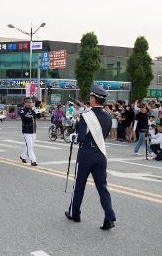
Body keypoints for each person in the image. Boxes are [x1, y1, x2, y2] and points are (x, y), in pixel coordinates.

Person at [65, 84, 116, 231]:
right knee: (102, 188)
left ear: (93, 98)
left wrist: (73, 136)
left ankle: (75, 213)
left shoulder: (86, 116)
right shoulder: (108, 116)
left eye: (90, 97)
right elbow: (103, 136)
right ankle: (109, 217)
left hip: (86, 155)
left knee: (79, 185)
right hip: (101, 154)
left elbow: (80, 138)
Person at [19, 97, 41, 166]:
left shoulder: (33, 109)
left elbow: (39, 116)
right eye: (28, 102)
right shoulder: (23, 110)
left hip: (33, 130)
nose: (30, 103)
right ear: (25, 103)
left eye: (31, 102)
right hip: (26, 131)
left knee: (29, 145)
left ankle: (22, 156)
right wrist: (33, 112)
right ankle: (33, 160)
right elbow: (24, 118)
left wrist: (37, 109)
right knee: (30, 147)